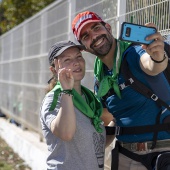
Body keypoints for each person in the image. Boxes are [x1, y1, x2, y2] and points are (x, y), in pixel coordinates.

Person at [72, 11, 170, 170]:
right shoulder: (101, 78)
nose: (94, 36)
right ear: (84, 47)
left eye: (96, 28)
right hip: (125, 156)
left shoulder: (134, 53)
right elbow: (113, 121)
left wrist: (157, 56)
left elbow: (152, 66)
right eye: (86, 36)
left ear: (108, 28)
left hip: (159, 155)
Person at [40, 40, 114, 170]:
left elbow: (94, 143)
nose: (76, 62)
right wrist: (66, 91)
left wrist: (118, 120)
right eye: (67, 60)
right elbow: (66, 133)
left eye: (79, 57)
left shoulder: (90, 99)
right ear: (54, 69)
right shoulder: (54, 98)